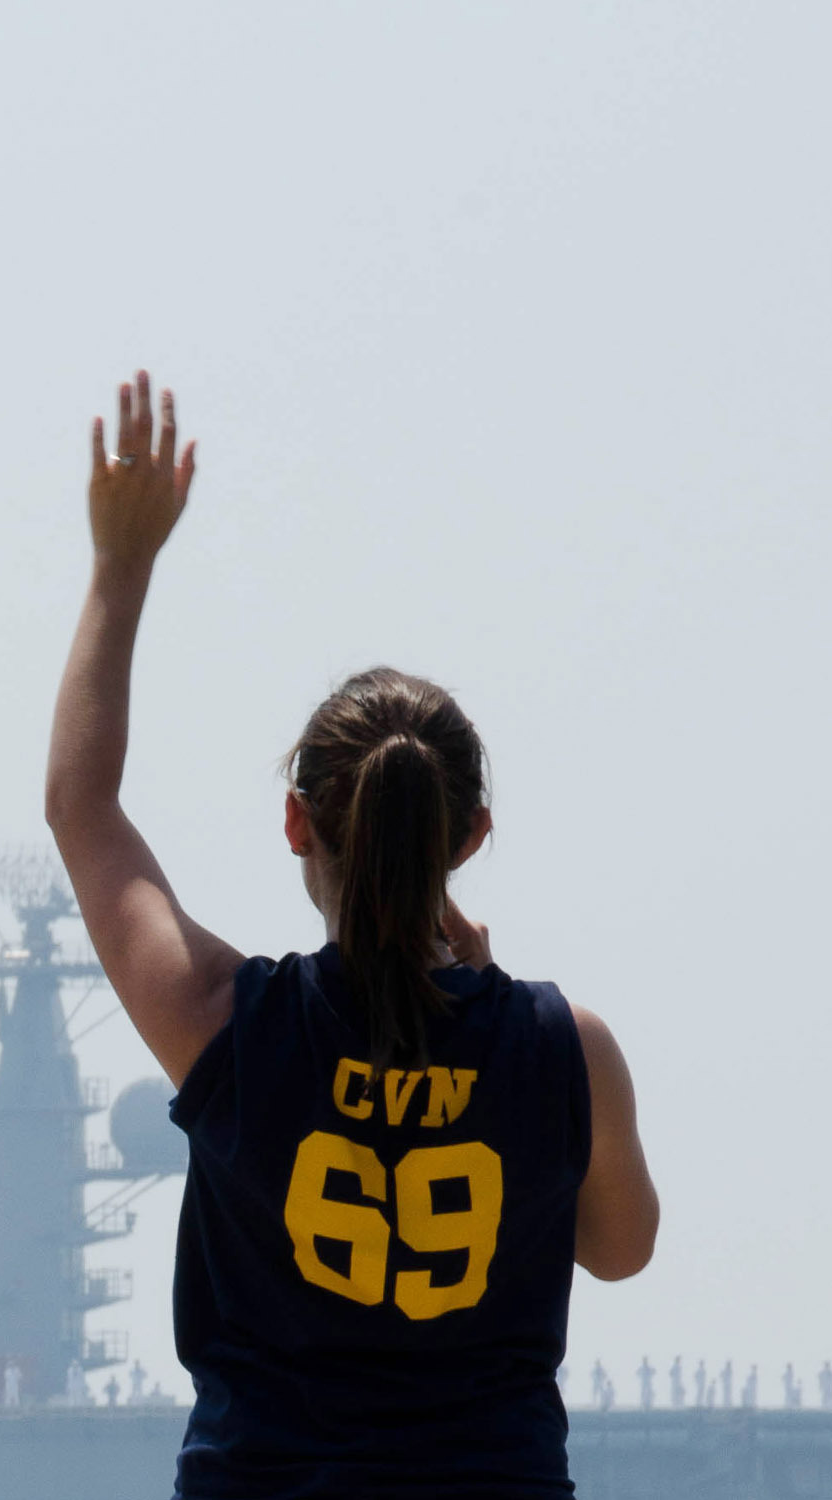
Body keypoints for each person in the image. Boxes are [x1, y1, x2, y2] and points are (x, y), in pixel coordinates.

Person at [46, 375, 661, 1498]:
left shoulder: (224, 1025)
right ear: (469, 837)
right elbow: (619, 1251)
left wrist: (121, 563)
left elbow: (81, 806)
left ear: (296, 822)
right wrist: (493, 999)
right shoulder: (567, 1048)